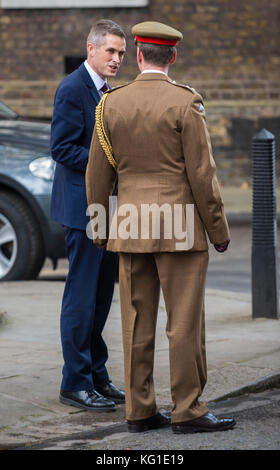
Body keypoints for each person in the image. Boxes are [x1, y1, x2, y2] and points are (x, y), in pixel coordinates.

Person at [86, 21, 236, 432]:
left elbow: (97, 176)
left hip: (130, 228)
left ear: (137, 55)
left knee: (135, 321)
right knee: (184, 323)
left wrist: (99, 228)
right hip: (181, 228)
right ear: (172, 56)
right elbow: (203, 176)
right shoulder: (185, 102)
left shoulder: (110, 105)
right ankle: (188, 409)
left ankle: (140, 410)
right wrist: (219, 231)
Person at [50, 19, 126, 411]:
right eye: (110, 51)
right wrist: (111, 164)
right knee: (80, 299)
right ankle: (74, 383)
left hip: (106, 210)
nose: (116, 59)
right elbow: (62, 149)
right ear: (91, 49)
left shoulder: (108, 92)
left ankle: (97, 376)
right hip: (82, 211)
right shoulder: (72, 88)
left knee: (100, 300)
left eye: (121, 53)